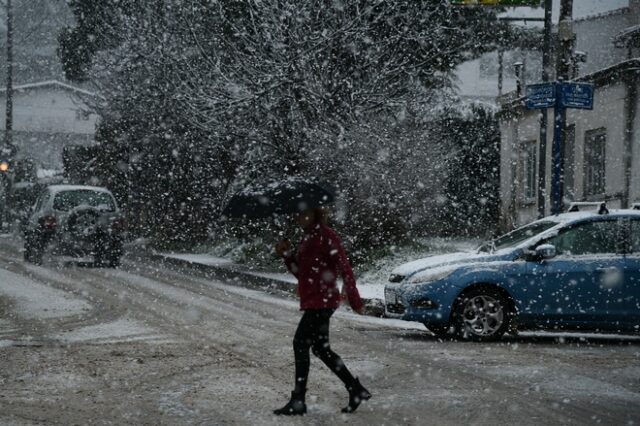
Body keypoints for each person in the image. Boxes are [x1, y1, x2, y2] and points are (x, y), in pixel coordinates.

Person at [273, 207, 371, 416]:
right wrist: (287, 256)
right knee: (320, 348)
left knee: (301, 343)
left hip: (323, 302)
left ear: (315, 213)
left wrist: (354, 300)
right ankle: (355, 389)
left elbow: (345, 267)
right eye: (296, 213)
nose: (298, 216)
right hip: (314, 301)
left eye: (302, 212)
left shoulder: (327, 235)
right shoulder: (307, 238)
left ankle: (298, 400)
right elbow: (302, 273)